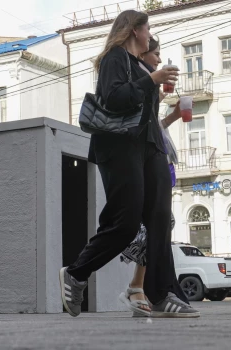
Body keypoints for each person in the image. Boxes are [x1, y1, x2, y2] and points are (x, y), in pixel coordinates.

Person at [59, 10, 200, 318]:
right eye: (147, 29)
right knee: (125, 223)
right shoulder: (115, 58)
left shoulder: (139, 64)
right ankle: (77, 272)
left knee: (160, 219)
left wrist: (159, 94)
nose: (150, 35)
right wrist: (152, 80)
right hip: (120, 149)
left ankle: (162, 294)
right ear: (135, 30)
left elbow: (141, 111)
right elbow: (112, 98)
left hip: (149, 148)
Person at [118, 36, 193, 317]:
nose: (160, 60)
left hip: (160, 165)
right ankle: (138, 288)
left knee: (160, 225)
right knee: (151, 226)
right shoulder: (139, 82)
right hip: (142, 166)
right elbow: (141, 127)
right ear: (142, 54)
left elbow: (154, 127)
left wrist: (173, 115)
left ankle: (141, 288)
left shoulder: (151, 88)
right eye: (156, 54)